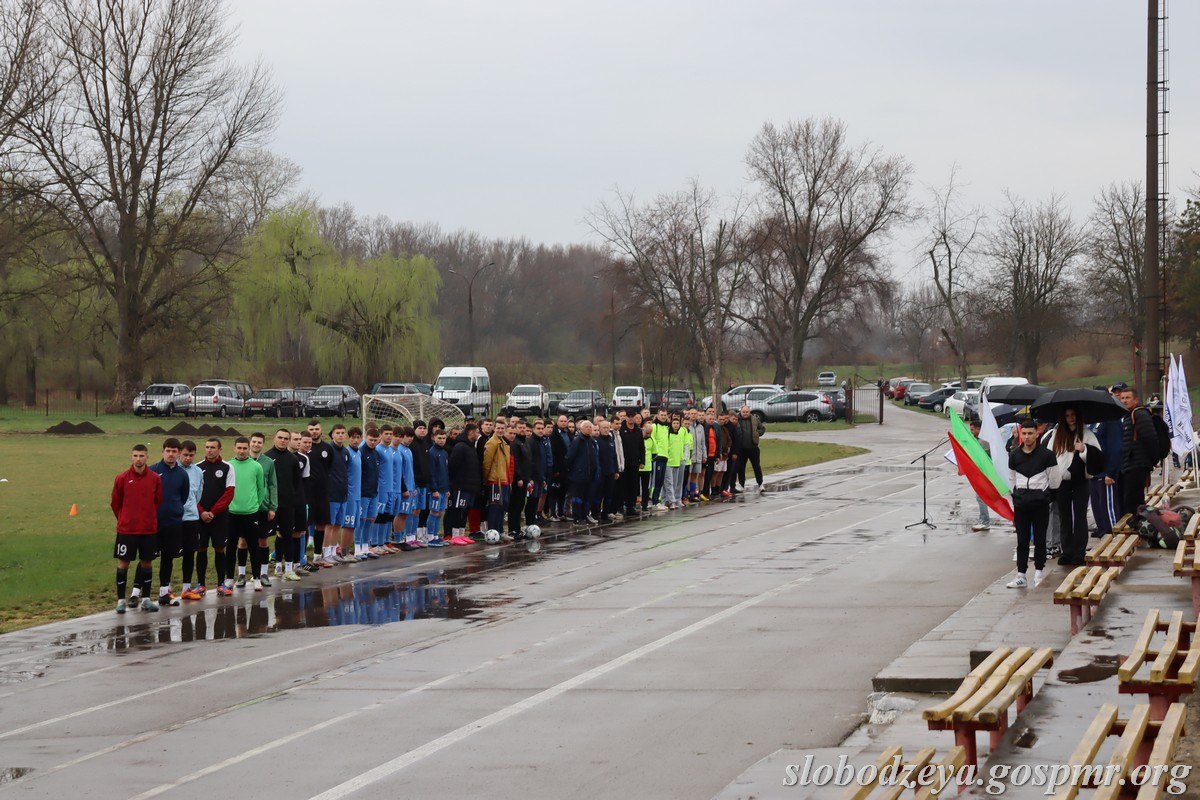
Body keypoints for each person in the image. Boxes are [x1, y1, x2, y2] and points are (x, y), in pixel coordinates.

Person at [1007, 420, 1061, 589]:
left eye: (1030, 433)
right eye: (1024, 433)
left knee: (1040, 540)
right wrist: (1017, 496)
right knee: (1022, 540)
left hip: (1040, 505)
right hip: (1021, 505)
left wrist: (1046, 497)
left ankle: (1038, 573)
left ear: (1037, 433)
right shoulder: (1014, 455)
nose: (1027, 437)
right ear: (1020, 434)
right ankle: (1021, 575)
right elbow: (1012, 478)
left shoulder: (1047, 455)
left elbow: (1055, 480)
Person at [111, 444, 163, 613]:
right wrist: (124, 519)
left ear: (147, 457)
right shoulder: (122, 478)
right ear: (131, 457)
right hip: (127, 530)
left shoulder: (155, 478)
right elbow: (115, 503)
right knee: (123, 564)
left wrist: (147, 517)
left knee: (147, 563)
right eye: (135, 456)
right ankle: (121, 601)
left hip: (148, 530)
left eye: (141, 456)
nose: (138, 459)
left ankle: (146, 599)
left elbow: (157, 501)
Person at [1050, 407, 1104, 566]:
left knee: (1080, 516)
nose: (1071, 418)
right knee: (1064, 517)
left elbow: (1098, 457)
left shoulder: (1087, 434)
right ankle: (1067, 551)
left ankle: (1079, 552)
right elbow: (1050, 456)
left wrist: (1084, 449)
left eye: (1073, 415)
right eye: (1067, 416)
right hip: (1062, 482)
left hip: (1081, 480)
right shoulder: (1056, 434)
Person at [149, 438, 190, 606]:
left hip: (173, 523)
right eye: (168, 451)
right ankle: (138, 594)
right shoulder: (152, 471)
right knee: (147, 558)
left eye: (174, 451)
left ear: (178, 453)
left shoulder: (182, 474)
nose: (171, 454)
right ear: (163, 451)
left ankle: (164, 593)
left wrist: (175, 509)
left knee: (168, 558)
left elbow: (183, 497)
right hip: (153, 523)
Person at [196, 438, 236, 595]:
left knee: (220, 548)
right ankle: (201, 584)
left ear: (220, 449)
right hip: (201, 517)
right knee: (201, 548)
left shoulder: (227, 467)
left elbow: (229, 493)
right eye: (207, 447)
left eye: (213, 447)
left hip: (219, 517)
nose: (209, 450)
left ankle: (221, 584)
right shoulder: (198, 467)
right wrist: (201, 512)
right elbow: (193, 493)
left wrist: (213, 512)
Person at [228, 437, 266, 591]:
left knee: (253, 546)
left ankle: (256, 578)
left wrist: (255, 505)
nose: (242, 451)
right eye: (239, 448)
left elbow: (261, 489)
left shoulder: (256, 466)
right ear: (234, 448)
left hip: (251, 513)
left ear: (248, 448)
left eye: (245, 448)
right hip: (232, 513)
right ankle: (230, 578)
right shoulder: (229, 465)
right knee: (231, 547)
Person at [265, 428, 303, 581]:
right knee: (265, 537)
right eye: (280, 437)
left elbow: (296, 482)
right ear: (274, 438)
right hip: (269, 505)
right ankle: (268, 568)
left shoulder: (293, 459)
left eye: (286, 438)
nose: (282, 440)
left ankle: (288, 568)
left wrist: (294, 500)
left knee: (287, 535)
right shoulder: (267, 457)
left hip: (287, 504)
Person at [1117, 385, 1158, 517]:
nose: (1124, 400)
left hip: (1137, 465)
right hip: (1130, 465)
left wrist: (1152, 460)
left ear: (1136, 400)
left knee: (1133, 503)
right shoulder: (1128, 415)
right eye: (1122, 398)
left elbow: (1150, 438)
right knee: (1131, 502)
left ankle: (1137, 526)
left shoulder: (1140, 414)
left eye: (1127, 398)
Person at [1090, 389, 1123, 537]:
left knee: (1108, 505)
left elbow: (1115, 447)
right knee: (1097, 505)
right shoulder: (1093, 421)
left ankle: (1112, 532)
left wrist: (1110, 472)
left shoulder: (1111, 419)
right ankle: (1102, 529)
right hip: (1094, 472)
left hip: (1106, 472)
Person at [247, 432, 277, 585]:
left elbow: (272, 485)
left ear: (263, 445)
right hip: (245, 509)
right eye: (254, 442)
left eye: (259, 442)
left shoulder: (268, 462)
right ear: (250, 443)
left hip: (263, 507)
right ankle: (242, 575)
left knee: (263, 541)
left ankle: (263, 573)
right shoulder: (241, 460)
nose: (256, 444)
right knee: (243, 541)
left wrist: (272, 507)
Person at [177, 440, 205, 600]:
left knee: (189, 553)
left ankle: (186, 588)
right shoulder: (174, 469)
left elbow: (198, 494)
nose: (188, 458)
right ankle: (165, 589)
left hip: (192, 518)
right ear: (179, 453)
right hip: (174, 518)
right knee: (168, 554)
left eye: (191, 455)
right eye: (185, 455)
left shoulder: (198, 471)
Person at [447, 423, 482, 544]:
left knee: (466, 510)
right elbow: (453, 465)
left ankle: (462, 534)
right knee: (458, 510)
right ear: (471, 432)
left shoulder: (471, 447)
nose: (478, 434)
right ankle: (455, 535)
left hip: (470, 486)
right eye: (477, 432)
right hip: (461, 485)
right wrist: (454, 482)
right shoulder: (460, 446)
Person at [306, 420, 333, 564]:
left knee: (321, 525)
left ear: (321, 430)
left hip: (322, 493)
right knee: (303, 526)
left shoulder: (327, 448)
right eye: (311, 429)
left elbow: (329, 468)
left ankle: (317, 556)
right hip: (307, 493)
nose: (314, 432)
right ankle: (302, 558)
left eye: (316, 429)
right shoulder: (305, 448)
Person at [483, 419, 512, 539]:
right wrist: (486, 479)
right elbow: (487, 463)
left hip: (504, 480)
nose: (500, 430)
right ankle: (492, 532)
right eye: (498, 428)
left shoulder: (504, 443)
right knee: (495, 507)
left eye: (502, 428)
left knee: (502, 507)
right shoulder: (492, 443)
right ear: (494, 428)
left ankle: (500, 531)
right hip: (495, 481)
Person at [566, 420, 596, 524]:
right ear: (581, 429)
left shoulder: (591, 441)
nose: (589, 428)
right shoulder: (577, 441)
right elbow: (569, 457)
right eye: (586, 427)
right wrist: (574, 470)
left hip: (590, 474)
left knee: (587, 496)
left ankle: (585, 515)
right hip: (579, 475)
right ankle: (577, 517)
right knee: (577, 497)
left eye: (590, 427)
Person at [967, 419, 993, 532]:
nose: (971, 432)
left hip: (986, 474)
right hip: (982, 473)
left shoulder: (983, 441)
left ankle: (985, 522)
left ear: (979, 429)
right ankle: (983, 520)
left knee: (981, 497)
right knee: (980, 497)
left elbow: (979, 457)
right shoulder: (979, 440)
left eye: (972, 430)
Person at [427, 429, 450, 546]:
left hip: (443, 489)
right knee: (434, 512)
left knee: (440, 513)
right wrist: (433, 489)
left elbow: (445, 472)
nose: (441, 440)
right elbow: (431, 473)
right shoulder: (432, 452)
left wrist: (447, 488)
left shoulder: (444, 453)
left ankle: (436, 535)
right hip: (436, 490)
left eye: (444, 438)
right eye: (439, 438)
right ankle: (430, 536)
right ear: (434, 438)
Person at [618, 413, 644, 516]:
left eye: (632, 417)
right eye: (629, 417)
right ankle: (620, 506)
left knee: (633, 485)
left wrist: (642, 461)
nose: (631, 419)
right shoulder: (621, 430)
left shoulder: (638, 430)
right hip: (624, 462)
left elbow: (642, 447)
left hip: (634, 462)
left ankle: (631, 506)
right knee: (623, 485)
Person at [736, 406, 765, 492]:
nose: (745, 413)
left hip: (753, 447)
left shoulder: (755, 419)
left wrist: (757, 433)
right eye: (743, 412)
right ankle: (741, 484)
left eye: (747, 412)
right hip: (741, 448)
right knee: (741, 467)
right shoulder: (736, 419)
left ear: (749, 412)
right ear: (740, 412)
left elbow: (762, 428)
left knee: (756, 467)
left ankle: (760, 484)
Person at [649, 409, 670, 509]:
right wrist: (655, 453)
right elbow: (652, 439)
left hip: (665, 456)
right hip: (657, 457)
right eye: (662, 415)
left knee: (661, 480)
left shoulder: (666, 427)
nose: (663, 417)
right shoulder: (654, 426)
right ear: (657, 415)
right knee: (656, 480)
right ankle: (653, 501)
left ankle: (657, 499)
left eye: (665, 415)